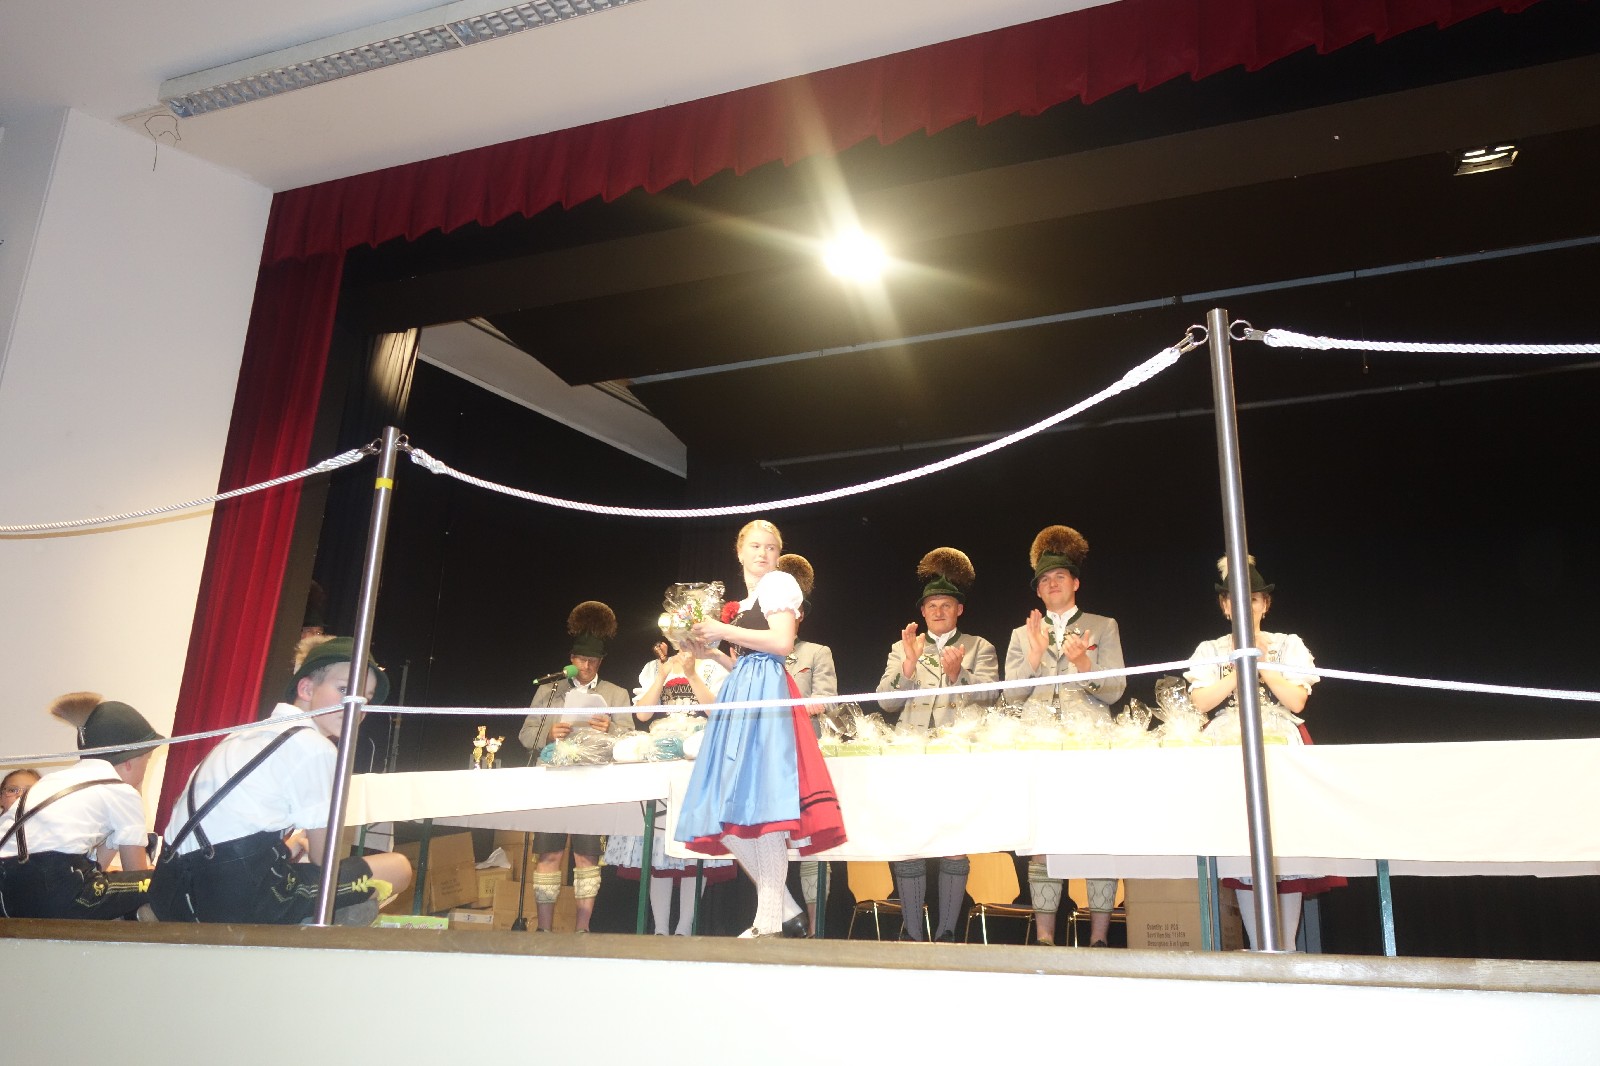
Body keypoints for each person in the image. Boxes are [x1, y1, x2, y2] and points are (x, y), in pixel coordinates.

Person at [147, 637, 413, 925]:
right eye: (344, 690)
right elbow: (325, 859)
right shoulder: (315, 747)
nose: (356, 706)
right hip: (233, 899)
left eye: (366, 699)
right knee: (397, 868)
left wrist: (288, 847)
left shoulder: (243, 734)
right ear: (306, 688)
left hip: (171, 890)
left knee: (302, 861)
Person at [675, 519, 846, 938]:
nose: (763, 553)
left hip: (766, 692)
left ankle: (767, 922)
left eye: (770, 547)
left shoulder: (779, 584)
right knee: (727, 810)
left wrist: (722, 629)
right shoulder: (748, 600)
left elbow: (782, 644)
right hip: (744, 690)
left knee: (761, 807)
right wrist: (712, 655)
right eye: (755, 546)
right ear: (739, 552)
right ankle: (786, 910)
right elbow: (748, 658)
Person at [1184, 554, 1340, 950]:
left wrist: (1263, 664)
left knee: (1283, 848)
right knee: (1242, 852)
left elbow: (1297, 701)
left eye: (1252, 599)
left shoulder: (1288, 644)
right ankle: (1260, 950)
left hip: (1280, 749)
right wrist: (1240, 667)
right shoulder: (1211, 649)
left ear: (1265, 605)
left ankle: (1284, 951)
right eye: (1235, 599)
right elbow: (1201, 702)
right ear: (1224, 606)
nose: (1244, 606)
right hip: (1228, 751)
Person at [1004, 524, 1125, 947]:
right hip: (1037, 740)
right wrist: (1033, 659)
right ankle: (1044, 938)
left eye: (1060, 577)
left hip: (1088, 741)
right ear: (1038, 591)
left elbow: (1116, 689)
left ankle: (1099, 938)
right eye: (1044, 580)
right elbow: (1010, 694)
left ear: (1076, 583)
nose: (1052, 584)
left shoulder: (1102, 626)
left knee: (1095, 834)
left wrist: (1086, 668)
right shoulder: (1022, 634)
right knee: (1042, 837)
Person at [876, 547, 999, 942]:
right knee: (910, 841)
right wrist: (909, 668)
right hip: (911, 755)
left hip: (958, 756)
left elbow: (991, 695)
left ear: (959, 609)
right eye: (932, 605)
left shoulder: (979, 646)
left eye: (946, 605)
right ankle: (913, 933)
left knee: (953, 842)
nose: (938, 611)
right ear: (923, 611)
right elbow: (886, 703)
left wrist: (960, 675)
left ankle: (947, 932)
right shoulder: (903, 647)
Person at [603, 641, 733, 934]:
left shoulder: (714, 665)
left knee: (692, 841)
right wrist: (662, 676)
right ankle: (660, 929)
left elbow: (716, 711)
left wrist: (692, 673)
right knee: (659, 843)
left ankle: (684, 927)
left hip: (699, 749)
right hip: (662, 749)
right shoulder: (655, 667)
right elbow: (643, 715)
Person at [518, 600, 632, 932]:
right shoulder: (549, 690)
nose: (586, 665)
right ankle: (544, 930)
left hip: (592, 782)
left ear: (601, 661)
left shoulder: (615, 694)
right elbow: (525, 734)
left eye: (593, 660)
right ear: (571, 659)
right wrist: (548, 734)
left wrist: (610, 729)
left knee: (586, 857)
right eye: (581, 659)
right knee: (549, 854)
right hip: (554, 780)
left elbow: (631, 740)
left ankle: (582, 930)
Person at [0, 694, 162, 919]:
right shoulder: (121, 791)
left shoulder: (54, 781)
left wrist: (114, 840)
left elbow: (95, 868)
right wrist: (137, 794)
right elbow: (137, 873)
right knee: (159, 881)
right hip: (53, 887)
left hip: (6, 891)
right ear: (129, 762)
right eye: (147, 760)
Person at [777, 552, 840, 935]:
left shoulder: (816, 653)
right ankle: (775, 915)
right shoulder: (757, 653)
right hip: (769, 757)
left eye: (795, 610)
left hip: (805, 756)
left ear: (800, 615)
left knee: (812, 844)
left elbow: (827, 699)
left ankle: (815, 929)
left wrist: (812, 704)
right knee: (768, 839)